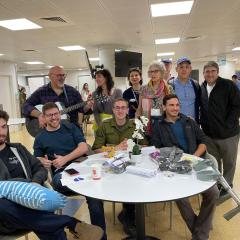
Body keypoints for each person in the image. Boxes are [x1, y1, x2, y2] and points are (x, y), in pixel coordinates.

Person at [0, 110, 103, 240]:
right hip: (5, 217)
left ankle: (61, 223)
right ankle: (69, 222)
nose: (1, 132)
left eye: (3, 127)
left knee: (48, 226)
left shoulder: (17, 149)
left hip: (31, 204)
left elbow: (39, 168)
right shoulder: (41, 137)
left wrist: (35, 183)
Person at [33, 102, 107, 240]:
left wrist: (64, 159)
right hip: (61, 176)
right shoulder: (40, 138)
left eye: (56, 114)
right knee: (69, 181)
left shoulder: (70, 127)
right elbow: (36, 158)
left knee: (95, 198)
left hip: (81, 168)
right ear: (43, 117)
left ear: (59, 114)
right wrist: (41, 160)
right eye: (50, 115)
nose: (54, 118)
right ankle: (75, 226)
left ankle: (101, 237)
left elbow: (84, 147)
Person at [151, 94, 219, 240]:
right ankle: (200, 233)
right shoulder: (158, 126)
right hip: (174, 167)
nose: (175, 108)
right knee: (180, 196)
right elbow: (156, 150)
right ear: (164, 107)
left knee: (213, 192)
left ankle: (199, 231)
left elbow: (203, 141)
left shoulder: (189, 121)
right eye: (171, 105)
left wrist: (194, 156)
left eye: (177, 105)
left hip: (196, 161)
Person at [92, 98, 148, 237]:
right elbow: (96, 149)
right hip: (109, 167)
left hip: (130, 165)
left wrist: (133, 146)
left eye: (123, 107)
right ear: (113, 110)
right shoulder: (104, 125)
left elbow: (145, 145)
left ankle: (128, 216)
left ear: (128, 110)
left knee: (135, 183)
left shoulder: (135, 125)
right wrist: (115, 148)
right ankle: (128, 217)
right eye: (117, 107)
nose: (120, 110)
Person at [200, 61, 240, 195]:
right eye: (207, 71)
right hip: (210, 134)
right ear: (203, 73)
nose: (210, 74)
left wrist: (228, 124)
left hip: (228, 134)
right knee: (214, 161)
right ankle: (217, 183)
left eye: (212, 71)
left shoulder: (228, 85)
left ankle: (227, 186)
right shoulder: (202, 87)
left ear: (217, 72)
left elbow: (236, 106)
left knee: (229, 162)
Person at [23, 66, 93, 131]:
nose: (62, 78)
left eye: (63, 75)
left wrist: (88, 105)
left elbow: (81, 109)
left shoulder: (73, 92)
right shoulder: (41, 92)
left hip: (70, 130)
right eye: (58, 75)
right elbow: (25, 106)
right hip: (48, 133)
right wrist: (39, 115)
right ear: (50, 76)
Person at [135, 61, 172, 133]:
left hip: (163, 124)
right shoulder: (143, 88)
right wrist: (137, 123)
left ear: (162, 72)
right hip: (146, 124)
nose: (153, 74)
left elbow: (171, 107)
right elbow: (139, 108)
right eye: (151, 72)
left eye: (156, 71)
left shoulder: (168, 88)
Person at [168, 57, 200, 122]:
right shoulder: (170, 85)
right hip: (175, 123)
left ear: (190, 69)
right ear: (176, 69)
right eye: (181, 67)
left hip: (192, 124)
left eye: (187, 67)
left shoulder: (195, 85)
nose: (184, 69)